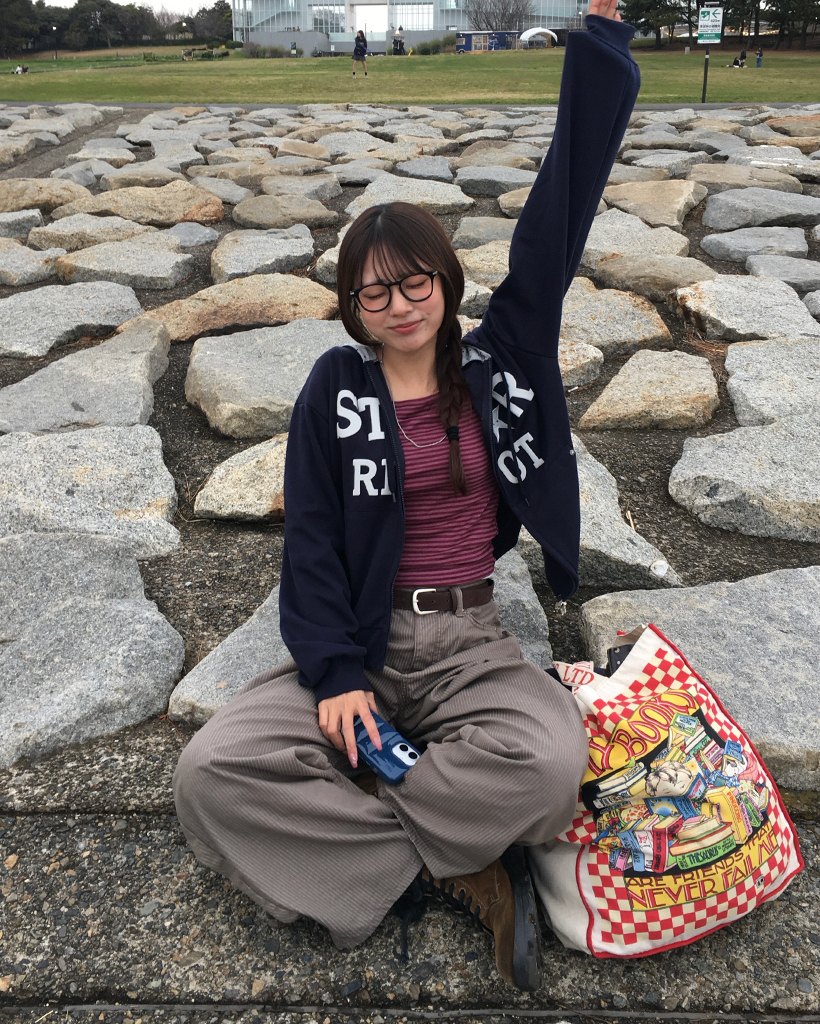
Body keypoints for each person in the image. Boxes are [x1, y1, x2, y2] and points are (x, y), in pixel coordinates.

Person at [172, 0, 640, 993]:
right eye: (373, 292)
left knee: (549, 762)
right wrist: (337, 675)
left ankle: (391, 835)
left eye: (415, 282)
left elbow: (557, 218)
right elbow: (310, 544)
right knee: (211, 771)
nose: (398, 305)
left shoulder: (500, 357)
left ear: (445, 280)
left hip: (470, 643)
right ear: (352, 306)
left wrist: (599, 51)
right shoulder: (335, 390)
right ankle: (466, 855)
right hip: (364, 642)